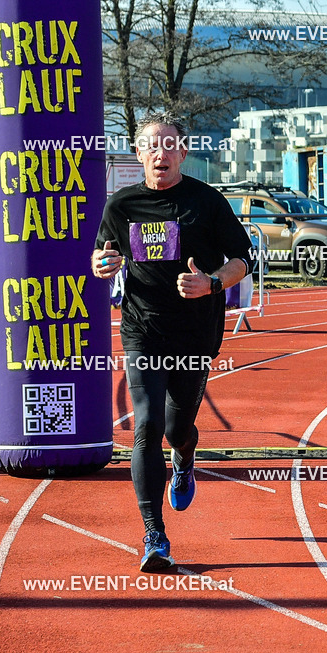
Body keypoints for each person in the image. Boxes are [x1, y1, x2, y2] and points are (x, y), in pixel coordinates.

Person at [91, 112, 253, 571]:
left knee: (176, 429)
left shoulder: (206, 202)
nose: (159, 153)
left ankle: (185, 455)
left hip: (194, 333)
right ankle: (154, 534)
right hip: (142, 329)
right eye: (150, 145)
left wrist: (214, 284)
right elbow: (102, 255)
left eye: (168, 145)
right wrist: (101, 265)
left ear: (183, 152)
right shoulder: (121, 206)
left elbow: (243, 257)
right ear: (138, 153)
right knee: (145, 427)